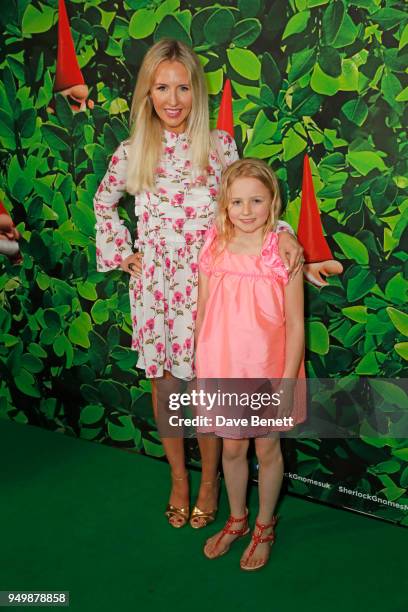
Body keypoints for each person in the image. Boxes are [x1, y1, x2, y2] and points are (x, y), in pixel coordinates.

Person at [93, 39, 304, 529]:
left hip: (214, 287)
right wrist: (124, 253)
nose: (173, 99)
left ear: (197, 92)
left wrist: (287, 234)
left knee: (207, 386)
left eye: (183, 87)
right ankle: (179, 479)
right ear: (147, 93)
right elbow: (104, 204)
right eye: (161, 87)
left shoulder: (219, 145)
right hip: (156, 290)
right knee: (166, 386)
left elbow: (249, 200)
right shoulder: (131, 152)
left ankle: (210, 480)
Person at [195, 158, 306, 570]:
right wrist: (199, 366)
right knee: (232, 447)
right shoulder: (213, 244)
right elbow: (204, 310)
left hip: (266, 371)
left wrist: (286, 381)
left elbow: (295, 324)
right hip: (222, 367)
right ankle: (237, 519)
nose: (246, 211)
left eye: (256, 201)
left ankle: (264, 526)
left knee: (267, 447)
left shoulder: (282, 253)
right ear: (224, 203)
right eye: (237, 201)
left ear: (272, 202)